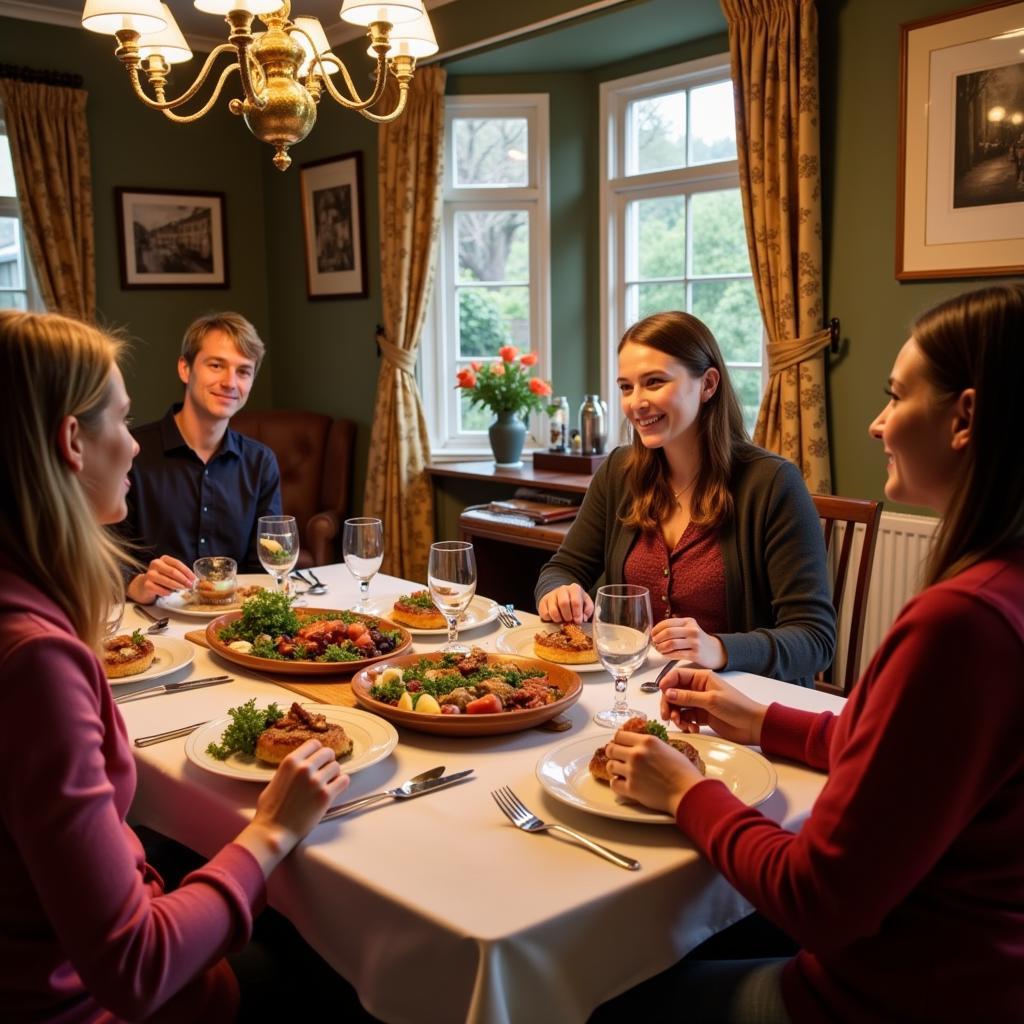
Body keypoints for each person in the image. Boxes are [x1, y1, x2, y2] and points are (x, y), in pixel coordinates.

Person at [599, 284, 1024, 1023]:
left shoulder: (961, 623)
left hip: (898, 991)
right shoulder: (1002, 587)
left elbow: (818, 902)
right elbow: (905, 752)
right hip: (972, 957)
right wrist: (764, 722)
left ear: (965, 418)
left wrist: (682, 792)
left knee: (599, 986)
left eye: (895, 396)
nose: (876, 422)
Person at [0, 310, 350, 1021]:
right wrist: (273, 828)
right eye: (122, 422)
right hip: (74, 1000)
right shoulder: (35, 659)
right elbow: (135, 965)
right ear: (72, 440)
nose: (132, 445)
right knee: (337, 968)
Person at [535, 311, 835, 686]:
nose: (637, 403)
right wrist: (559, 592)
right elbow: (560, 569)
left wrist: (719, 649)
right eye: (626, 387)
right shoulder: (619, 471)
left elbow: (815, 639)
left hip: (741, 701)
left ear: (708, 384)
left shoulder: (773, 484)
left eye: (654, 382)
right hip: (637, 687)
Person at [121, 312, 282, 604]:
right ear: (185, 368)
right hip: (150, 622)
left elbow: (264, 566)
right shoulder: (131, 452)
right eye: (217, 365)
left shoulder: (261, 463)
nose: (230, 382)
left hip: (234, 624)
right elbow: (103, 554)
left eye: (244, 371)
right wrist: (139, 584)